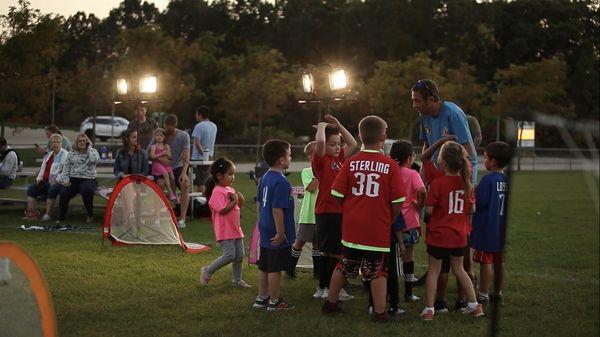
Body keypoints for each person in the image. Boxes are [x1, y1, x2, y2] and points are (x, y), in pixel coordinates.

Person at [321, 115, 406, 322]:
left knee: (344, 264)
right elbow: (397, 201)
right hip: (377, 228)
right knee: (378, 270)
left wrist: (351, 210)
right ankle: (380, 312)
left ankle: (330, 303)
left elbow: (337, 194)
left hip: (352, 226)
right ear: (383, 137)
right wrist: (389, 218)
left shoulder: (350, 163)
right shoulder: (390, 165)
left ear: (360, 135)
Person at [420, 141, 483, 321]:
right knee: (460, 269)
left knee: (434, 271)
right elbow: (472, 210)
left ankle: (429, 309)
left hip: (439, 235)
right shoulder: (467, 184)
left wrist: (440, 141)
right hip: (459, 235)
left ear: (444, 162)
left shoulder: (438, 183)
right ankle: (474, 305)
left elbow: (430, 211)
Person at [312, 114, 357, 301]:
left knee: (338, 251)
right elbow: (320, 143)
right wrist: (322, 126)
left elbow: (353, 144)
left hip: (340, 211)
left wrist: (339, 125)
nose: (337, 146)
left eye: (338, 143)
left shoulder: (340, 158)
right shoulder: (321, 159)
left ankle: (335, 287)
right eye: (333, 143)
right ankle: (324, 287)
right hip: (326, 211)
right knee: (327, 251)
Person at [252, 139, 296, 311]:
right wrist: (280, 232)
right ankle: (275, 301)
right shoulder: (282, 182)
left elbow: (259, 203)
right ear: (282, 160)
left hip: (264, 226)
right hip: (275, 231)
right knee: (275, 269)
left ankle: (261, 298)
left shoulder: (264, 177)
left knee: (264, 265)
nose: (291, 159)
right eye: (290, 155)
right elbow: (277, 209)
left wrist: (261, 221)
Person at [412, 79, 478, 184]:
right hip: (440, 170)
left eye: (417, 101)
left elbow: (467, 149)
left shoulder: (453, 113)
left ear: (430, 99)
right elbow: (427, 144)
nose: (414, 105)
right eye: (413, 101)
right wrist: (424, 168)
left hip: (459, 171)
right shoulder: (424, 116)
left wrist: (464, 177)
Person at [199, 157, 250, 288]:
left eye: (234, 174)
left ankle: (237, 280)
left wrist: (239, 198)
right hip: (225, 230)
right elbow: (222, 210)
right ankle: (207, 270)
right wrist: (233, 202)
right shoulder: (217, 192)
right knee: (229, 255)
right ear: (219, 176)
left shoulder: (230, 189)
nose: (233, 177)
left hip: (235, 229)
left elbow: (239, 205)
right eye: (230, 174)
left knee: (239, 256)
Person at [470, 141, 511, 304]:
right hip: (500, 228)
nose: (483, 160)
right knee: (499, 261)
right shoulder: (506, 179)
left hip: (487, 228)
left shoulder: (488, 180)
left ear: (493, 161)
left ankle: (483, 295)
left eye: (485, 157)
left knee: (486, 262)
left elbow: (479, 202)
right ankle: (497, 292)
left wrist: (474, 191)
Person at [390, 140, 427, 302]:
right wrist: (419, 205)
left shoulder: (391, 172)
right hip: (410, 221)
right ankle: (408, 292)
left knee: (391, 257)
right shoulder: (413, 174)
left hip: (392, 219)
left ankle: (389, 290)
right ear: (408, 157)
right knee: (408, 256)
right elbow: (423, 191)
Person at [150, 114, 190, 229]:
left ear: (175, 125)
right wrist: (161, 159)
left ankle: (182, 219)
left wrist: (183, 173)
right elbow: (149, 152)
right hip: (161, 165)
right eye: (166, 127)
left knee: (185, 184)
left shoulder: (184, 136)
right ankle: (156, 217)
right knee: (160, 184)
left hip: (177, 166)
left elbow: (186, 157)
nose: (168, 130)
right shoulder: (160, 134)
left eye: (170, 128)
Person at [289, 141, 320, 282]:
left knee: (317, 244)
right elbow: (311, 188)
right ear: (310, 156)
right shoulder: (307, 172)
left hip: (321, 214)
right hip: (308, 215)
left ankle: (317, 272)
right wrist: (320, 173)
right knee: (300, 242)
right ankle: (290, 269)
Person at [56, 133, 99, 223]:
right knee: (64, 192)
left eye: (84, 141)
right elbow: (66, 167)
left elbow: (94, 160)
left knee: (86, 190)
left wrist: (89, 148)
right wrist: (66, 180)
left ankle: (90, 215)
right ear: (76, 142)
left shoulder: (93, 151)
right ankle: (61, 217)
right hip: (74, 179)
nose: (82, 143)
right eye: (80, 141)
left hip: (89, 179)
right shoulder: (72, 153)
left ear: (87, 142)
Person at [24, 134, 68, 221]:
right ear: (50, 144)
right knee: (31, 189)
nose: (55, 144)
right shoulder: (48, 155)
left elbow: (65, 172)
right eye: (53, 142)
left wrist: (56, 181)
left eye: (58, 142)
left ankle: (48, 214)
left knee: (52, 189)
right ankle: (32, 213)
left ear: (61, 144)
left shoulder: (65, 155)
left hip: (59, 183)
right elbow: (42, 169)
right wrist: (39, 179)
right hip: (45, 181)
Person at [191, 106, 218, 194]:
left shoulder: (199, 126)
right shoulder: (214, 126)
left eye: (196, 114)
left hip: (199, 159)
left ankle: (201, 202)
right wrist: (208, 156)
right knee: (207, 181)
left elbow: (197, 143)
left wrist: (204, 155)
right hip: (210, 157)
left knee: (200, 183)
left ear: (200, 115)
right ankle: (207, 200)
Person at [148, 129, 177, 201]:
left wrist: (167, 154)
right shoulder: (154, 146)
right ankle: (171, 193)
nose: (159, 137)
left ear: (164, 137)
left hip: (165, 164)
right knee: (166, 174)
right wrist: (162, 154)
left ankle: (175, 193)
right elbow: (152, 156)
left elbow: (170, 156)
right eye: (157, 135)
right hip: (157, 164)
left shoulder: (166, 146)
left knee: (172, 177)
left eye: (161, 135)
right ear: (154, 137)